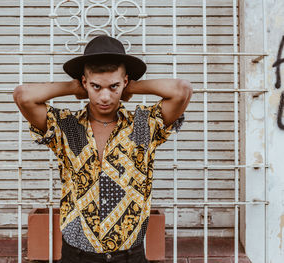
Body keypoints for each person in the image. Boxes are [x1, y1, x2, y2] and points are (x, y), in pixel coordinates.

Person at [13, 35, 192, 263]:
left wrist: (133, 87)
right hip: (77, 254)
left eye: (113, 86)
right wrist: (72, 88)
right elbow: (23, 96)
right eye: (96, 86)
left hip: (130, 255)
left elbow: (182, 89)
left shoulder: (142, 124)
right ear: (85, 82)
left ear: (124, 82)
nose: (105, 96)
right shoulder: (67, 125)